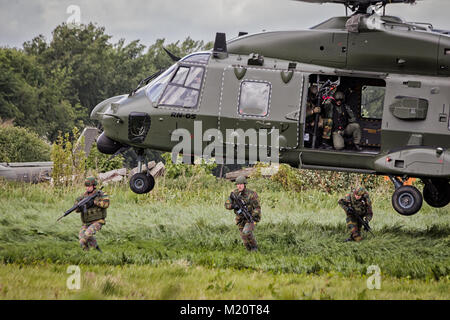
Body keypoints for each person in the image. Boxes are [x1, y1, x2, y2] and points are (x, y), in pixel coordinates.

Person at [224, 175, 261, 252]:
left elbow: (257, 208)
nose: (239, 186)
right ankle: (249, 252)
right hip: (240, 219)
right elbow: (226, 205)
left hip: (250, 217)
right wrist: (234, 206)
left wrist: (252, 216)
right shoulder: (234, 193)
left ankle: (255, 248)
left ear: (244, 184)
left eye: (241, 184)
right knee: (244, 238)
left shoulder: (252, 194)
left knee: (246, 232)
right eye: (238, 184)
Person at [75, 176, 109, 252]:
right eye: (86, 186)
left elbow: (106, 204)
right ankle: (89, 253)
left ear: (94, 186)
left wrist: (95, 202)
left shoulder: (100, 194)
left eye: (89, 186)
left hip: (98, 221)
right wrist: (81, 207)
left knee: (86, 236)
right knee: (81, 240)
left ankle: (96, 251)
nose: (87, 188)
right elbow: (76, 209)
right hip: (86, 223)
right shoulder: (82, 197)